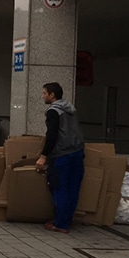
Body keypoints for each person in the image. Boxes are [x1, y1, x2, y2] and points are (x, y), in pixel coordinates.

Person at [35, 82, 85, 234]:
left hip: (62, 154)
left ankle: (61, 223)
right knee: (73, 188)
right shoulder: (70, 108)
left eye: (45, 93)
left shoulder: (53, 111)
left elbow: (52, 135)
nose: (43, 96)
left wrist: (43, 156)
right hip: (77, 152)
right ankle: (66, 221)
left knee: (59, 187)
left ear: (52, 95)